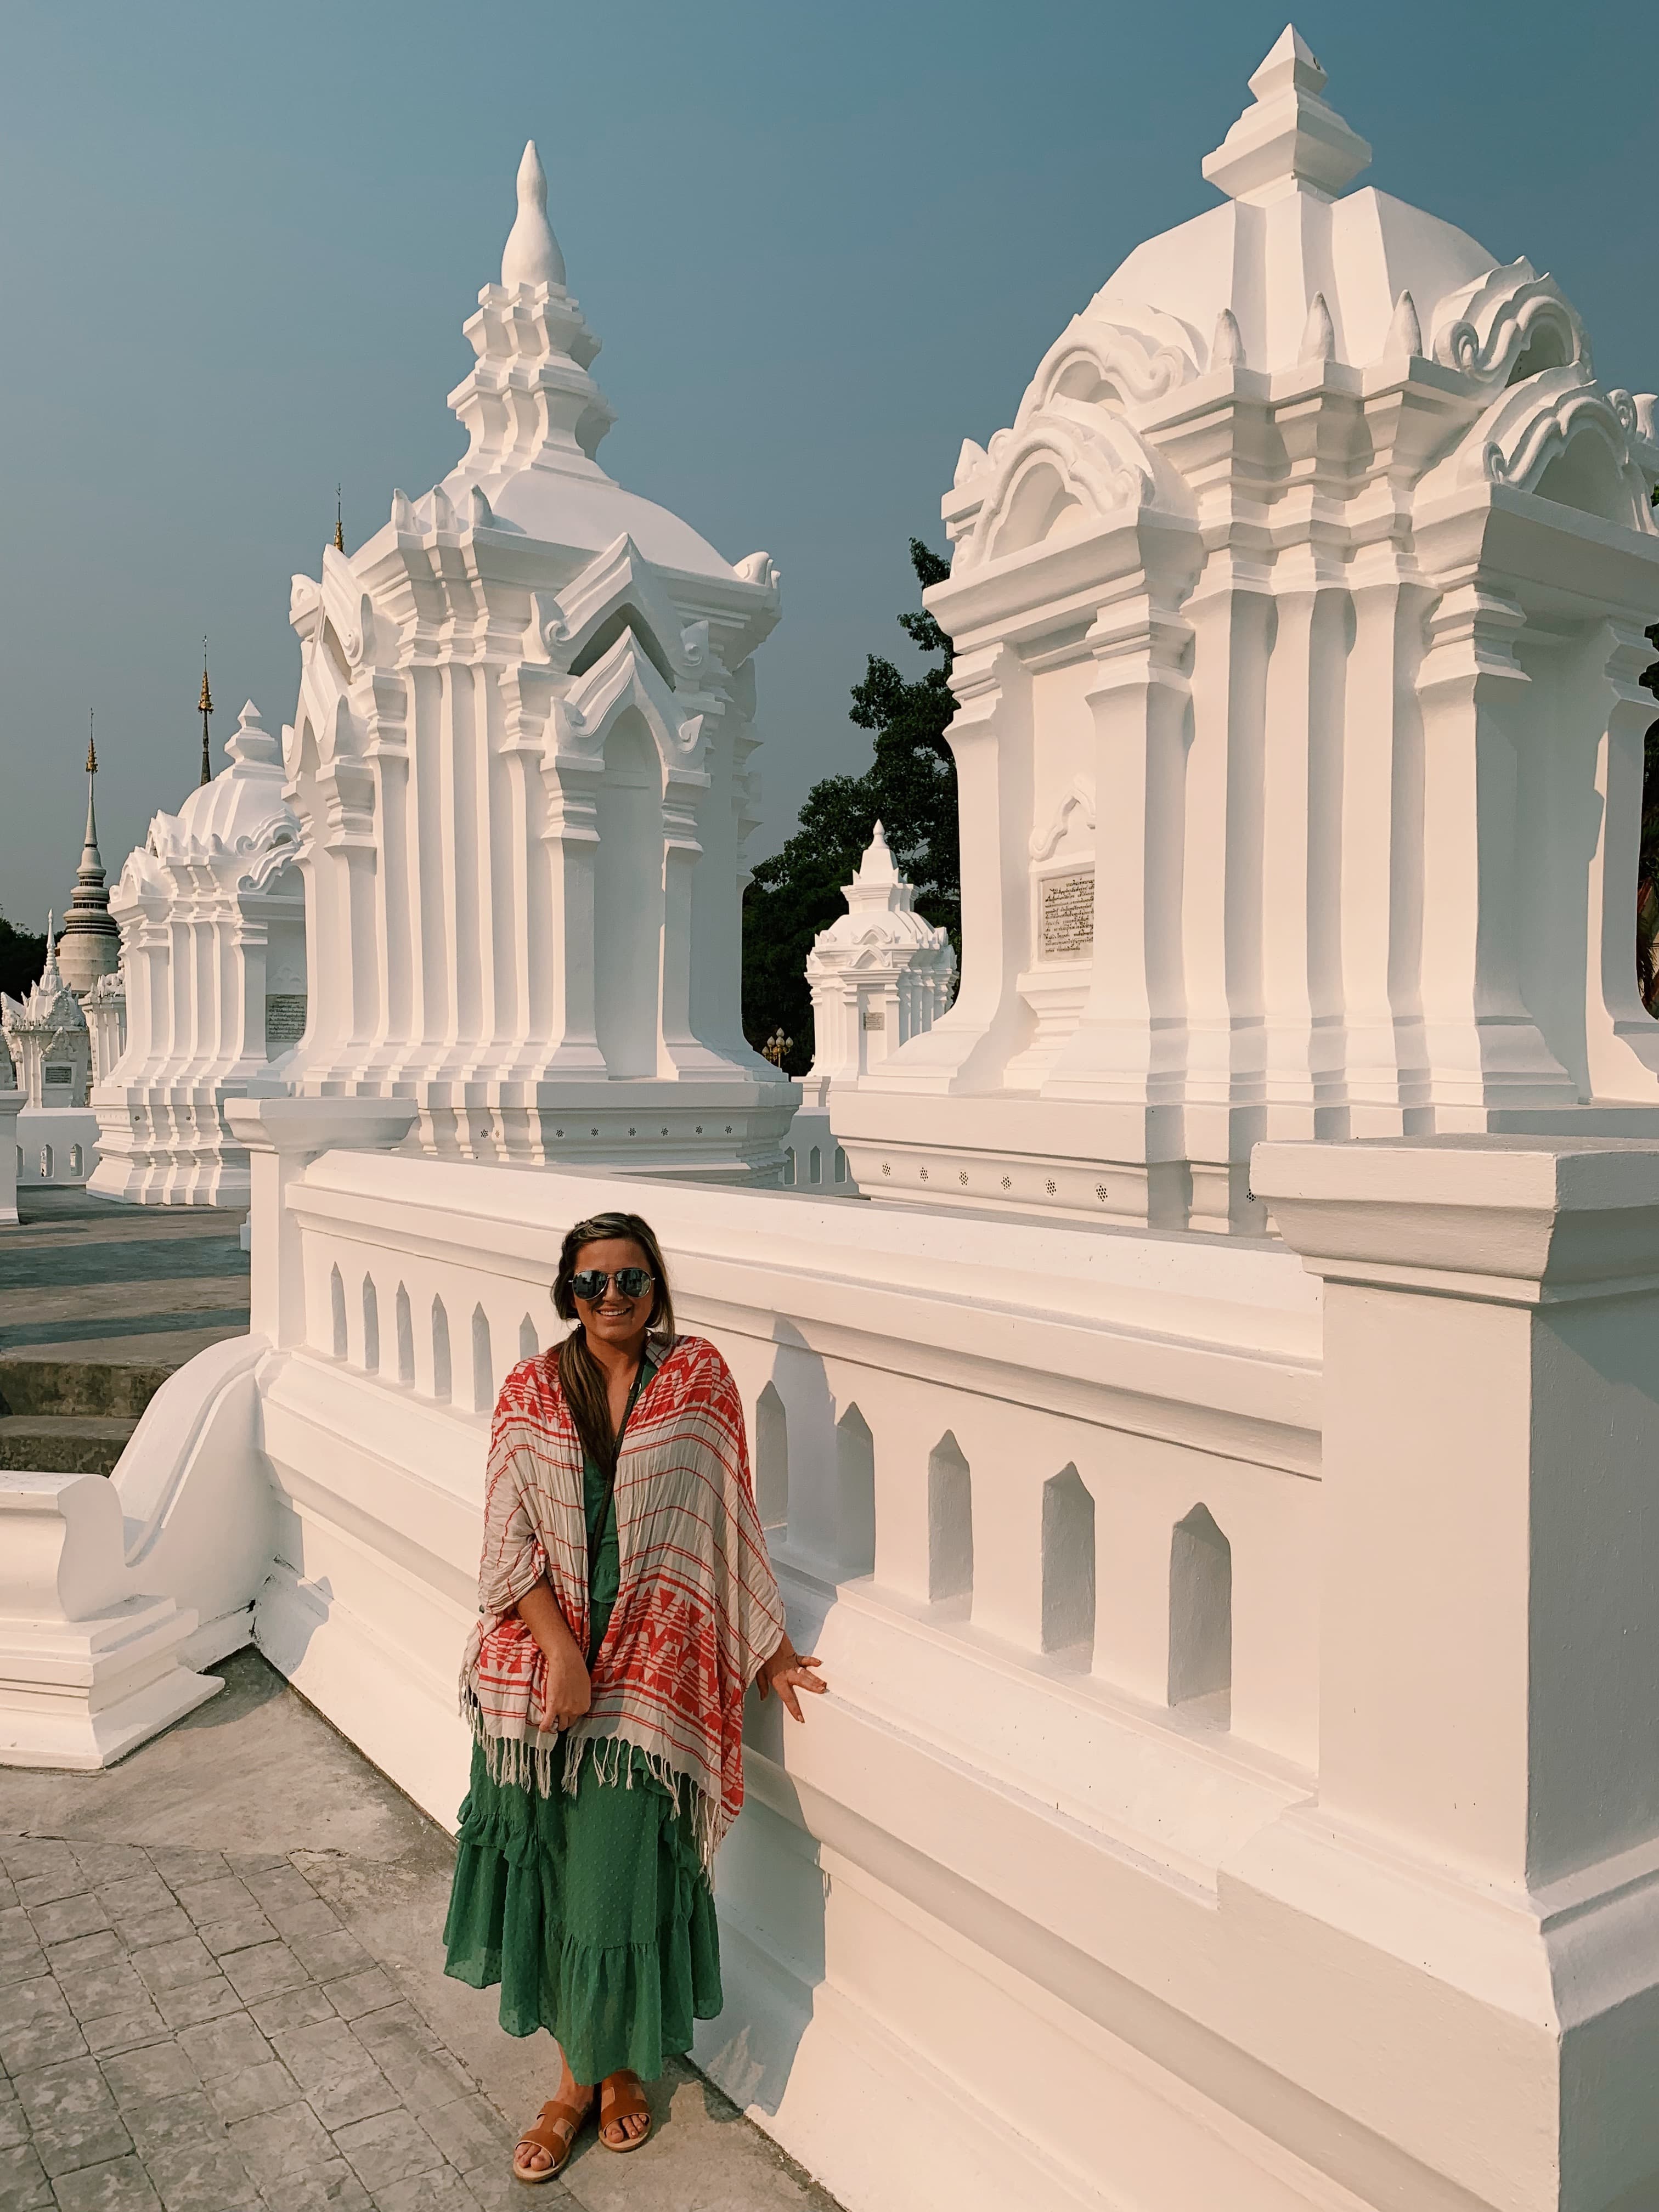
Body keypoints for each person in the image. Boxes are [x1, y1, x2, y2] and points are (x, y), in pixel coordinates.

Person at [443, 1209, 826, 2183]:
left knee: (616, 1878)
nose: (611, 1298)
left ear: (657, 1286)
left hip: (652, 1675)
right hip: (540, 1670)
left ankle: (620, 2071)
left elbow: (728, 1513)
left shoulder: (698, 1380)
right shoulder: (531, 1391)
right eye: (592, 1283)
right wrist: (562, 1651)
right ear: (565, 1294)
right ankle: (577, 2081)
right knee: (553, 1871)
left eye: (630, 1279)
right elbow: (504, 1538)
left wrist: (770, 1644)